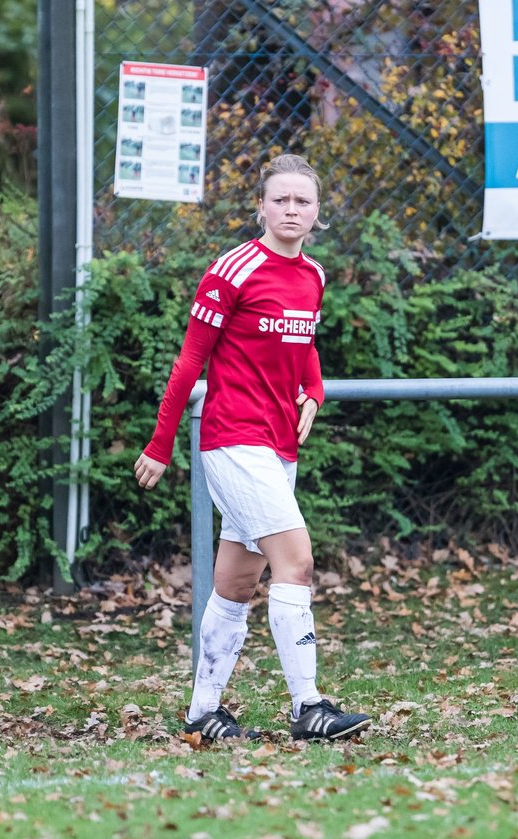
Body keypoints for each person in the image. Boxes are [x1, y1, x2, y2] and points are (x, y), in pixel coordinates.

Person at [135, 153, 371, 743]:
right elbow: (191, 360)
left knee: (237, 584)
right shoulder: (232, 269)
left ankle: (203, 712)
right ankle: (308, 707)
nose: (291, 210)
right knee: (298, 562)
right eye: (280, 200)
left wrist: (313, 391)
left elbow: (305, 346)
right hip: (232, 440)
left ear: (317, 213)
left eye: (303, 201)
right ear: (261, 206)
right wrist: (161, 445)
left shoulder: (312, 275)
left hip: (278, 445)